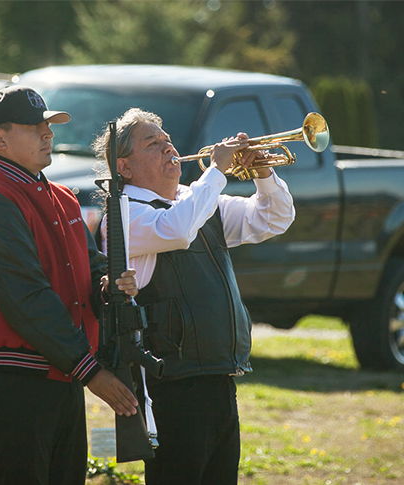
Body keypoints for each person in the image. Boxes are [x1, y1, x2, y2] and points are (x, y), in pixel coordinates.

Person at [92, 108, 295, 485]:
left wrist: (263, 172)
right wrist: (216, 171)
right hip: (173, 385)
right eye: (153, 144)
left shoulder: (197, 200)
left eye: (167, 140)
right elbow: (178, 230)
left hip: (218, 374)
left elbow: (274, 218)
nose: (168, 148)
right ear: (125, 167)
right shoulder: (123, 215)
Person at [0, 85, 140, 485]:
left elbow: (89, 269)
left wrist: (109, 284)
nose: (48, 134)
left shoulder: (62, 197)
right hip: (13, 377)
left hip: (60, 370)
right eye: (35, 127)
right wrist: (91, 370)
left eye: (48, 126)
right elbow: (26, 298)